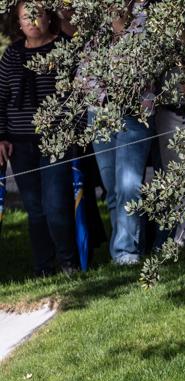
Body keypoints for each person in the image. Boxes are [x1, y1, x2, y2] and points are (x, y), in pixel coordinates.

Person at [0, 3, 79, 276]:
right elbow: (1, 99)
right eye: (25, 17)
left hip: (56, 141)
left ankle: (69, 262)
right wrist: (1, 137)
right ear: (18, 23)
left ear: (48, 17)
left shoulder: (65, 48)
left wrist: (74, 131)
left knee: (56, 204)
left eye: (36, 14)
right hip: (20, 144)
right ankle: (44, 268)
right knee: (35, 209)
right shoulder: (11, 55)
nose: (32, 21)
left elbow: (79, 95)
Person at [87, 5, 153, 265]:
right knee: (112, 188)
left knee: (129, 185)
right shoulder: (96, 25)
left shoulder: (145, 23)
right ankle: (124, 250)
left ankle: (126, 251)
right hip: (99, 113)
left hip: (133, 113)